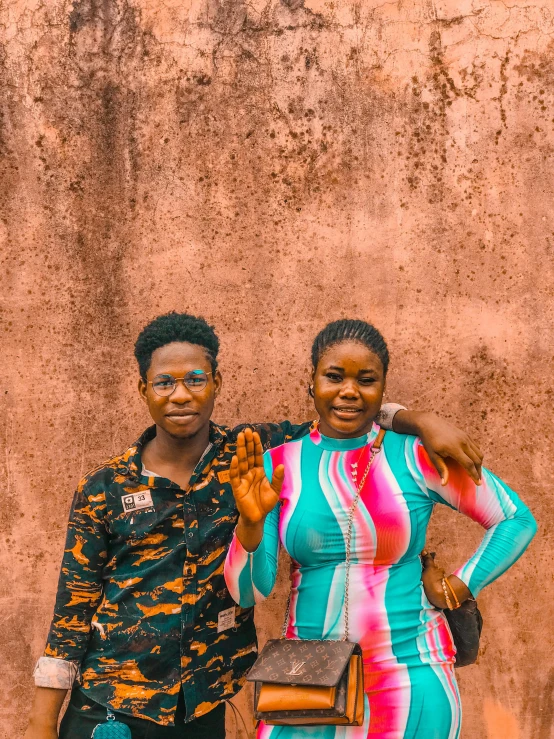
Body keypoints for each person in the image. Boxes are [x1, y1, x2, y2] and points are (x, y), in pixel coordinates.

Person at [25, 313, 484, 739]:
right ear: (142, 389)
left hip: (203, 707)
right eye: (164, 382)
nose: (180, 395)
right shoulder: (103, 487)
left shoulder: (258, 451)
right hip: (111, 706)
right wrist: (43, 723)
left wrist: (416, 421)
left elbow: (343, 409)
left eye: (195, 380)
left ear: (216, 383)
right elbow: (72, 610)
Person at [224, 319, 537, 739]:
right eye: (334, 376)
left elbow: (515, 519)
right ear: (311, 384)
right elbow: (249, 592)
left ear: (383, 388)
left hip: (411, 674)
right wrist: (249, 522)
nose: (349, 391)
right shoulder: (279, 464)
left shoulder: (419, 456)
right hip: (310, 682)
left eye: (366, 380)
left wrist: (459, 587)